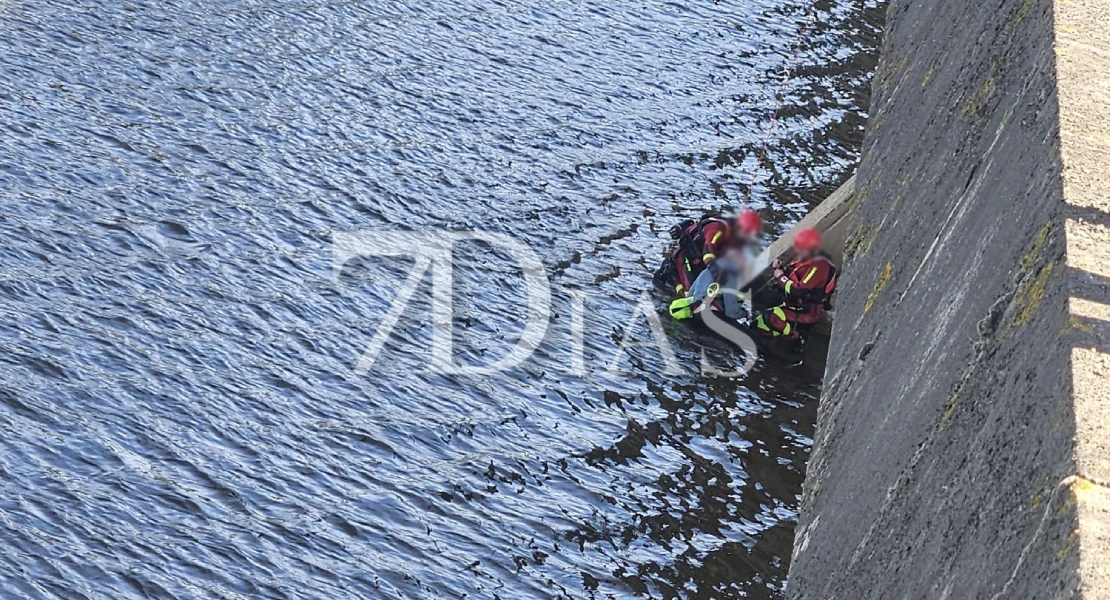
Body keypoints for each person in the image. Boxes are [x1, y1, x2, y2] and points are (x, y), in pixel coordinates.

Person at [668, 210, 763, 321]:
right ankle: (672, 278)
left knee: (694, 293)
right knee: (688, 293)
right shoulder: (717, 229)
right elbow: (708, 250)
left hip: (702, 268)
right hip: (687, 260)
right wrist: (747, 315)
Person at [752, 227, 837, 342]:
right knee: (759, 298)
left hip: (807, 312)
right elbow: (794, 275)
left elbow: (799, 291)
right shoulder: (805, 259)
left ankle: (795, 336)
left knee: (771, 317)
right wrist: (780, 268)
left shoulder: (818, 266)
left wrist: (780, 276)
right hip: (792, 302)